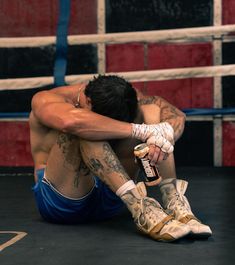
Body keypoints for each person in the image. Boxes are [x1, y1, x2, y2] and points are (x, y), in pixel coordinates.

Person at [29, 75, 212, 242]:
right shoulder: (47, 99)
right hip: (64, 202)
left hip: (114, 194)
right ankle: (139, 206)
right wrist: (141, 130)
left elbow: (177, 115)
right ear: (88, 101)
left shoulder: (128, 98)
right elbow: (71, 122)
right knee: (85, 131)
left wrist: (162, 134)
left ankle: (173, 201)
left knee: (151, 113)